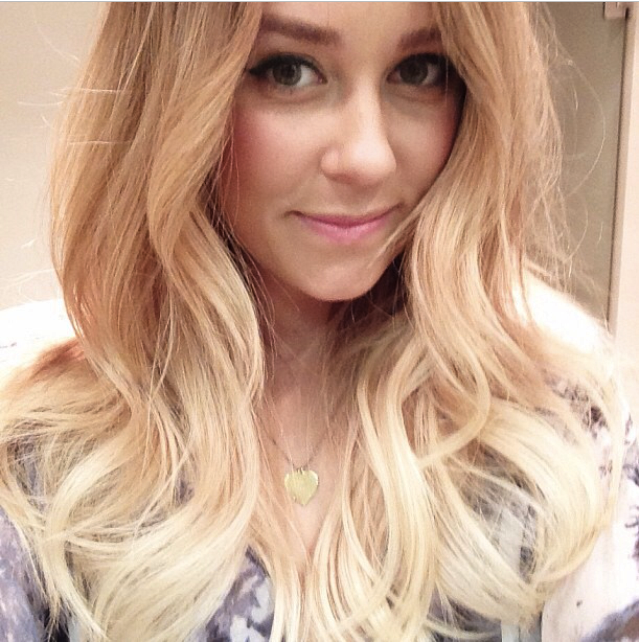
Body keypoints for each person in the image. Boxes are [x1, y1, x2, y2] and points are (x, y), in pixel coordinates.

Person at [0, 2, 637, 640]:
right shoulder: (37, 445)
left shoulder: (558, 419)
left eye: (419, 70)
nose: (369, 157)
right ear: (174, 92)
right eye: (290, 71)